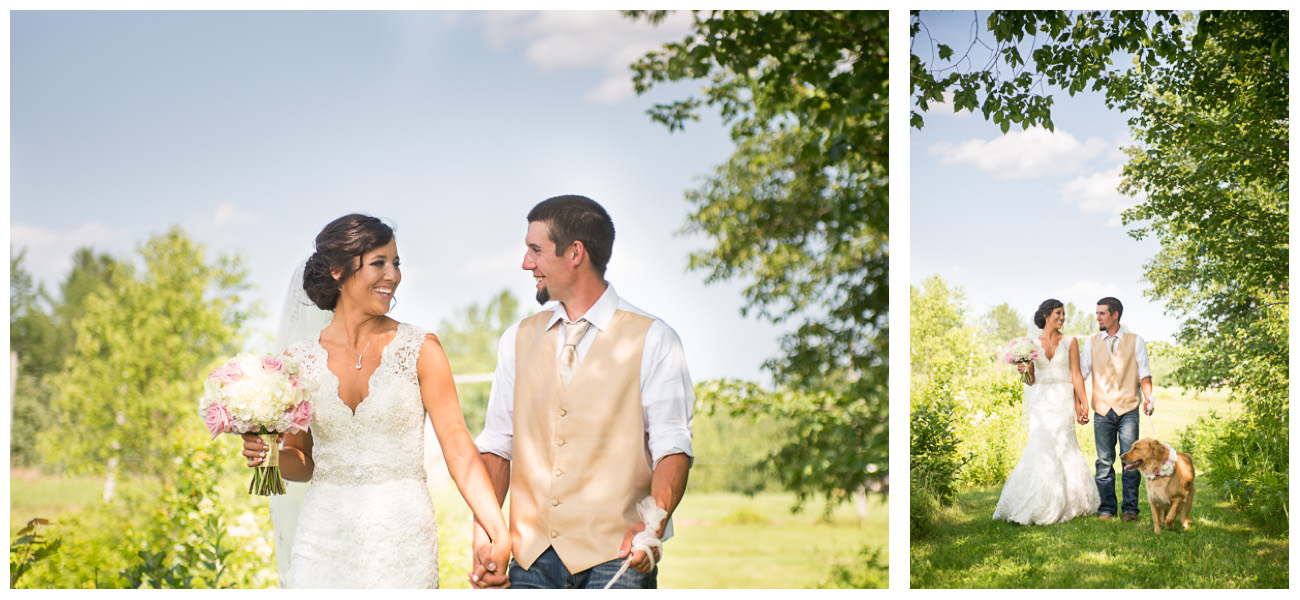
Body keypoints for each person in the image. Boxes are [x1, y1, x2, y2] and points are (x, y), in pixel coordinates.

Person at [240, 214, 510, 588]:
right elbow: (302, 462)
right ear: (337, 270)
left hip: (402, 542)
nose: (393, 275)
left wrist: (497, 528)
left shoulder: (421, 348)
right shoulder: (298, 361)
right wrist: (271, 454)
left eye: (396, 263)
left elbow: (459, 449)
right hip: (321, 540)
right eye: (379, 263)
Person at [471, 195, 694, 589]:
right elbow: (498, 446)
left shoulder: (655, 339)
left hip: (618, 559)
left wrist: (651, 526)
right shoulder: (516, 339)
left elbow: (672, 447)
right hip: (530, 559)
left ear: (575, 253)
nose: (527, 263)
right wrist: (487, 535)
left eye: (535, 250)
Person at [992, 299, 1100, 525]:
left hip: (1063, 400)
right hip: (1041, 401)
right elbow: (1030, 381)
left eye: (1063, 314)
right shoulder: (1029, 344)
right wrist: (1023, 368)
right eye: (1058, 313)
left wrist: (1083, 402)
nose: (1062, 318)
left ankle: (1071, 502)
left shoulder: (1070, 342)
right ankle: (1037, 501)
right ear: (1046, 314)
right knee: (1040, 447)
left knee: (1065, 446)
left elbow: (1076, 375)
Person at [1080, 296, 1154, 522]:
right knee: (1104, 462)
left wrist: (1149, 398)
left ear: (1115, 315)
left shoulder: (1136, 340)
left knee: (1130, 461)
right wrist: (1079, 402)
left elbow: (1144, 373)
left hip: (1128, 409)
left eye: (1102, 313)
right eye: (1097, 313)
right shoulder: (1091, 342)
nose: (1097, 317)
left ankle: (1130, 509)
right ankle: (1107, 509)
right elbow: (1081, 374)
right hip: (1102, 410)